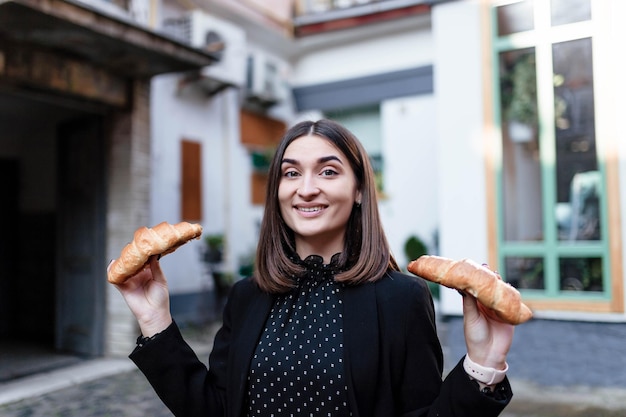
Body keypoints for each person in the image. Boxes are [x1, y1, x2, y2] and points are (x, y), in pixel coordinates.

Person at [112, 119, 514, 417]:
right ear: (278, 192)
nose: (306, 188)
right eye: (291, 173)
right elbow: (215, 409)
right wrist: (156, 322)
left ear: (358, 190)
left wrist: (483, 365)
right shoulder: (247, 296)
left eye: (328, 171)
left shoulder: (402, 299)